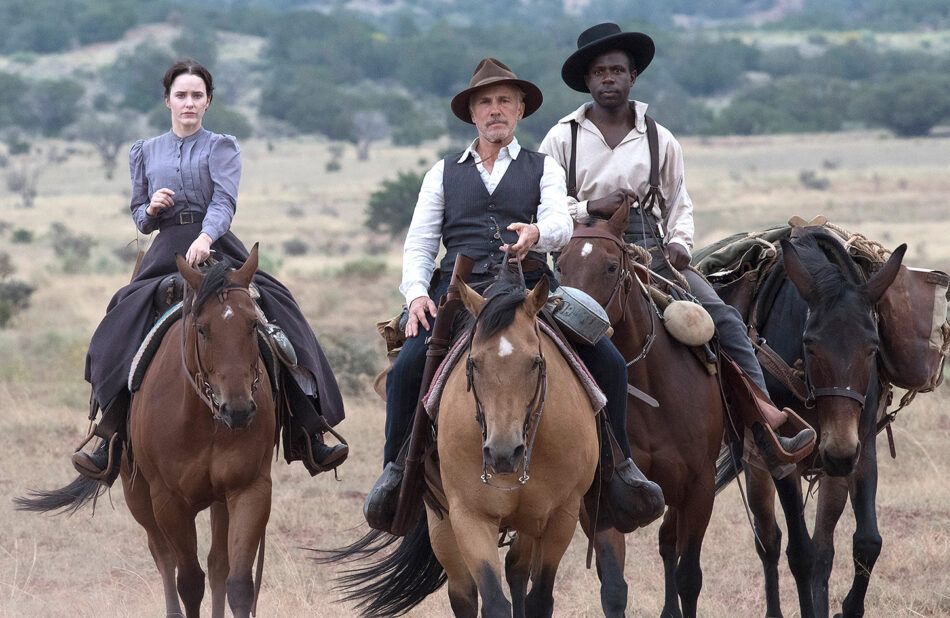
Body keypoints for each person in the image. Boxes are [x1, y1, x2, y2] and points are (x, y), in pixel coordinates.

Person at [364, 57, 665, 533]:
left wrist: (537, 234)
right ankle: (396, 472)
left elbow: (561, 221)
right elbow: (420, 243)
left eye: (505, 100)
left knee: (607, 358)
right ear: (472, 114)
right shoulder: (442, 173)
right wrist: (418, 294)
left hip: (530, 291)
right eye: (485, 102)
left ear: (520, 109)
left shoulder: (543, 168)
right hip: (458, 295)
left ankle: (619, 468)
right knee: (407, 369)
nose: (495, 110)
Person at [539, 23, 816, 474]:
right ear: (587, 80)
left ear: (633, 77)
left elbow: (678, 203)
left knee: (721, 319)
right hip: (582, 253)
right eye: (599, 72)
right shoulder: (560, 138)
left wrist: (680, 244)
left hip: (650, 251)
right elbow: (546, 206)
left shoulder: (659, 138)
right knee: (536, 329)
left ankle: (764, 424)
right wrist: (591, 206)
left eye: (617, 70)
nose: (608, 78)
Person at [72, 59, 348, 483]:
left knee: (279, 307)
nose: (189, 103)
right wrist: (151, 209)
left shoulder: (222, 147)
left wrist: (206, 236)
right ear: (167, 100)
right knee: (121, 318)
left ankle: (309, 428)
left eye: (197, 96)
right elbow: (139, 217)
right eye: (181, 95)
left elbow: (224, 200)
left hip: (217, 245)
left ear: (208, 102)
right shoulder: (144, 151)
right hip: (165, 251)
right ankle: (109, 433)